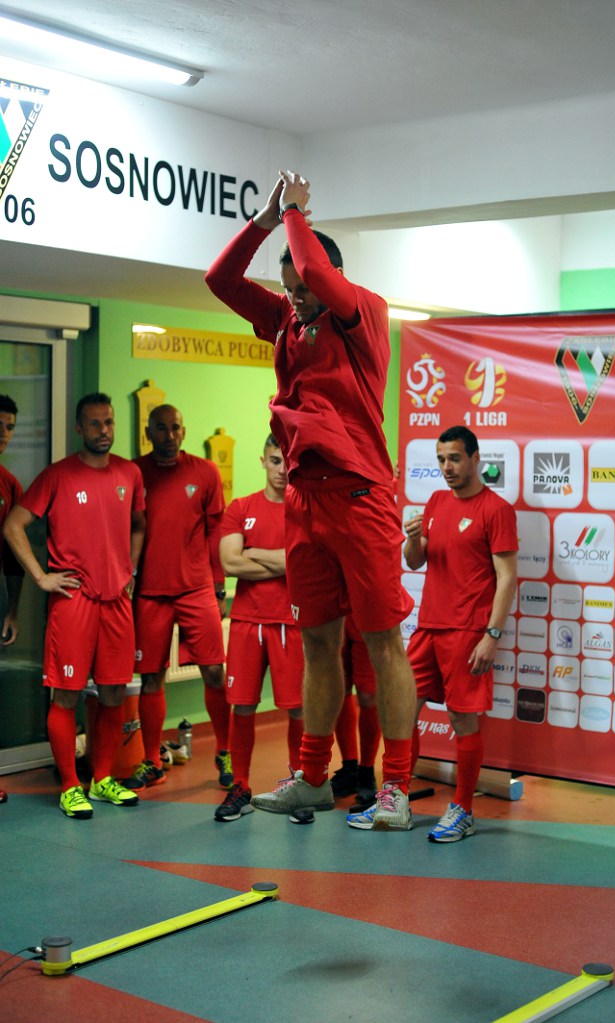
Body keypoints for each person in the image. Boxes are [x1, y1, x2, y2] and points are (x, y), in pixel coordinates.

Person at [205, 169, 416, 831]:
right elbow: (219, 280)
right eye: (289, 289)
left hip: (360, 497)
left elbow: (319, 274)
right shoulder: (285, 323)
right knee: (318, 642)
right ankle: (313, 778)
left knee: (382, 644)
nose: (295, 298)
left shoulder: (363, 313)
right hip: (304, 501)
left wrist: (296, 212)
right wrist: (265, 220)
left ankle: (395, 788)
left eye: (301, 287)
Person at [3, 393, 145, 819]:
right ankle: (69, 786)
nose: (104, 430)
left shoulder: (130, 473)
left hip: (116, 600)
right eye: (95, 423)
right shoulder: (58, 476)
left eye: (109, 422)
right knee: (65, 694)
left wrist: (130, 569)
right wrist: (41, 577)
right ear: (79, 428)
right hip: (73, 599)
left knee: (114, 692)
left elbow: (139, 525)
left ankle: (102, 779)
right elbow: (13, 525)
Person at [402, 425, 518, 843]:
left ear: (474, 458)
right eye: (441, 459)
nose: (447, 467)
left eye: (454, 458)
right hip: (428, 626)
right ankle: (395, 798)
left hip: (468, 631)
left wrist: (492, 635)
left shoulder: (496, 509)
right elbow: (415, 561)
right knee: (403, 709)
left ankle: (463, 809)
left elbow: (507, 578)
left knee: (460, 719)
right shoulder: (435, 501)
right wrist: (411, 540)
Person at [127, 404, 231, 790]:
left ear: (183, 432)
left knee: (214, 672)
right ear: (148, 434)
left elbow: (216, 531)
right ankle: (152, 761)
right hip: (150, 592)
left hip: (197, 589)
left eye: (175, 428)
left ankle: (226, 752)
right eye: (161, 428)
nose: (169, 435)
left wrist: (219, 586)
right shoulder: (133, 473)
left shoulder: (205, 472)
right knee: (151, 677)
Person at [214, 433, 304, 822]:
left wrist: (255, 552)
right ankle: (241, 786)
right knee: (243, 705)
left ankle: (300, 786)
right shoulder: (241, 507)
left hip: (292, 621)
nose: (282, 470)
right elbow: (230, 563)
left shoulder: (305, 509)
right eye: (275, 460)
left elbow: (303, 562)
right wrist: (282, 562)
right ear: (263, 460)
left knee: (298, 708)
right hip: (248, 622)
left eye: (288, 462)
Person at [0, 394, 25, 804]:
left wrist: (14, 610)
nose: (3, 434)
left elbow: (13, 558)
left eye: (9, 427)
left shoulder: (10, 484)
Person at [331, 614, 380, 808]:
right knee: (339, 688)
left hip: (367, 614)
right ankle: (349, 768)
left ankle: (367, 771)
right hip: (335, 613)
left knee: (368, 695)